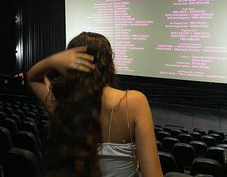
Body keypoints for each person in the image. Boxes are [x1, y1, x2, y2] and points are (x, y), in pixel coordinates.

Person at [27, 32, 163, 177]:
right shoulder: (135, 102)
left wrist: (52, 61)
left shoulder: (65, 107)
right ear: (108, 64)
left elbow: (32, 77)